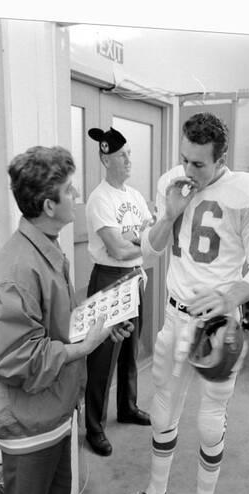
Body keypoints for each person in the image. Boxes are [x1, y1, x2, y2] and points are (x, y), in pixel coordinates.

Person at [115, 112, 249, 494]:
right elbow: (149, 253)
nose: (188, 169)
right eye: (184, 158)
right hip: (174, 316)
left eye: (199, 163)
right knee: (164, 410)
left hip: (217, 325)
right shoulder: (173, 180)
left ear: (221, 158)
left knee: (209, 420)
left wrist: (230, 296)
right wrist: (169, 213)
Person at [0, 145, 133, 494]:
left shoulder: (46, 248)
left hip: (53, 412)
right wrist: (84, 347)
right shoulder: (18, 268)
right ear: (49, 206)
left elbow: (53, 325)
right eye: (70, 190)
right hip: (29, 426)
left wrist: (99, 326)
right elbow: (14, 358)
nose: (77, 197)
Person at [84, 127, 152, 456]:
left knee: (130, 350)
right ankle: (94, 428)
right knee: (102, 358)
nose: (128, 160)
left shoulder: (134, 196)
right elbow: (117, 250)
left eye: (129, 154)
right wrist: (140, 244)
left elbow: (149, 237)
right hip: (109, 279)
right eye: (122, 155)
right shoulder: (100, 199)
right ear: (105, 158)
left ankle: (127, 407)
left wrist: (137, 249)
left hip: (134, 277)